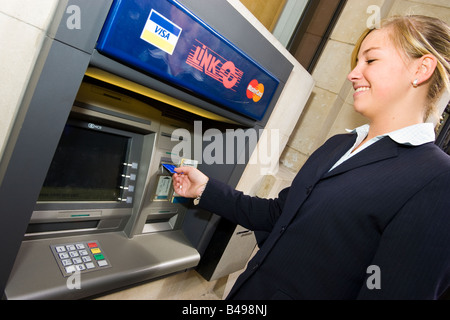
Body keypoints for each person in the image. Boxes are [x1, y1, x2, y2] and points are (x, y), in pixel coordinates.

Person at [172, 15, 450, 300]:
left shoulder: (437, 179)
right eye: (356, 63)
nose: (352, 74)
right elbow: (279, 214)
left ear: (422, 68)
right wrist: (205, 190)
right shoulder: (339, 145)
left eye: (370, 61)